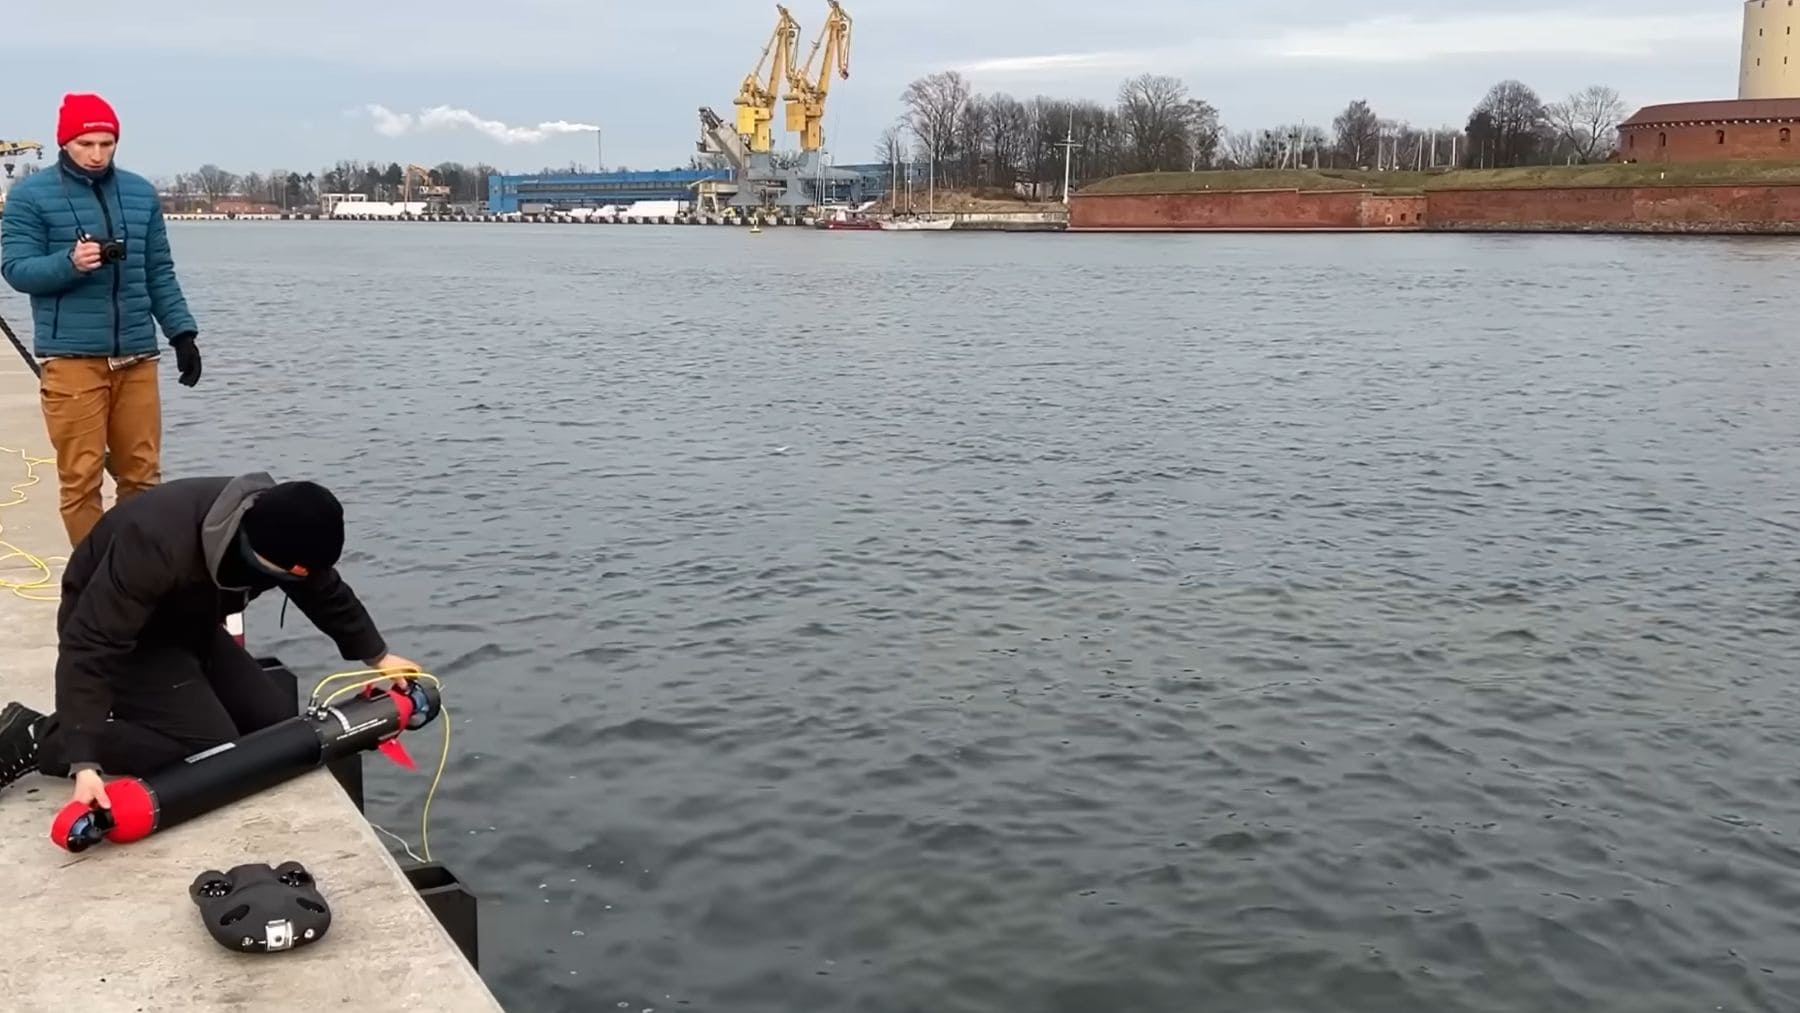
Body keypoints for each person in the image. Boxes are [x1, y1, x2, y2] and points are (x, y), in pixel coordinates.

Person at [0, 473, 420, 811]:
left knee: (272, 726)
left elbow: (323, 590)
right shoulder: (157, 542)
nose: (297, 583)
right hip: (128, 640)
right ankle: (39, 735)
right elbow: (90, 644)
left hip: (190, 625)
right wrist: (84, 759)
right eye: (290, 574)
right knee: (211, 750)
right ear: (257, 548)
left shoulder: (281, 525)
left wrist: (377, 655)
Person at [0, 92, 204, 548]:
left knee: (142, 477)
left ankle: (135, 575)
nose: (96, 154)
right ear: (65, 142)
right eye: (86, 143)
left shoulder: (139, 193)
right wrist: (70, 263)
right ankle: (93, 583)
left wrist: (182, 333)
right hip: (72, 360)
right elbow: (16, 270)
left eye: (106, 143)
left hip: (136, 357)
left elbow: (158, 272)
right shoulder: (30, 196)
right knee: (82, 478)